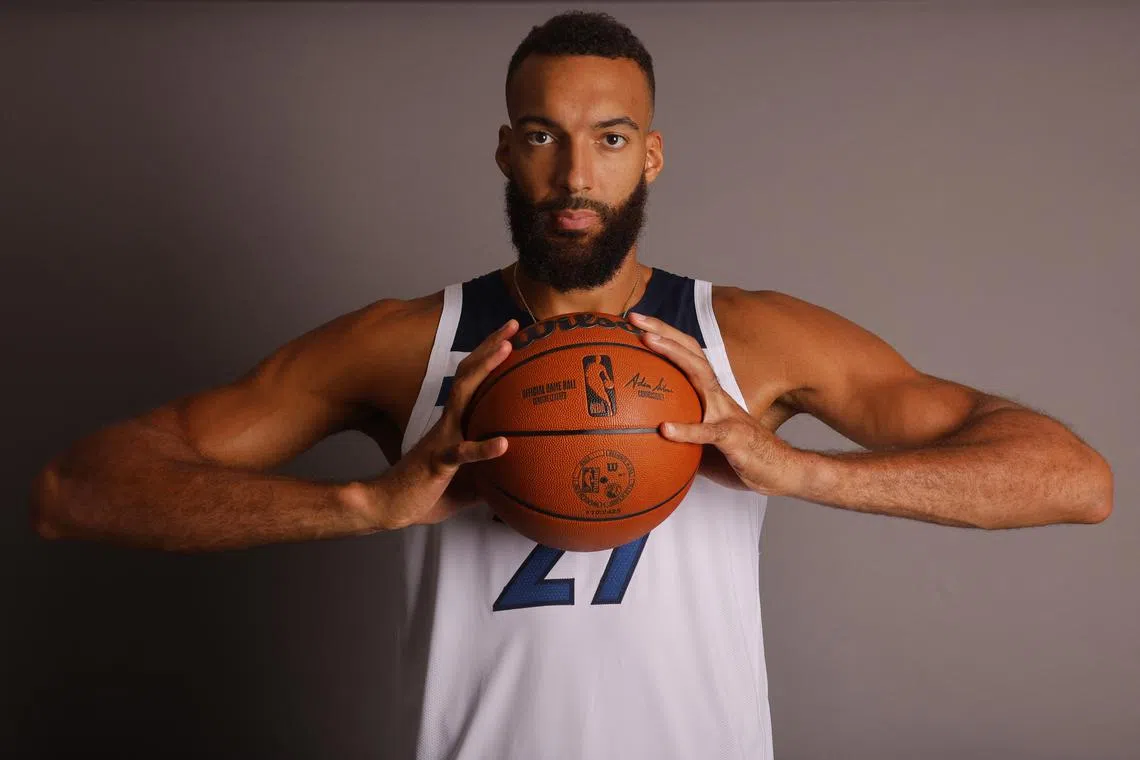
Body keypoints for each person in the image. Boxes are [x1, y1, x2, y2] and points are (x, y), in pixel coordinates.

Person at [30, 10, 1113, 760]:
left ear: (652, 156)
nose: (575, 175)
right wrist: (363, 503)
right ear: (507, 151)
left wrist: (798, 470)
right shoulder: (403, 347)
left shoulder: (750, 339)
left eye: (610, 138)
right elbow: (76, 491)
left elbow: (1072, 478)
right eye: (544, 136)